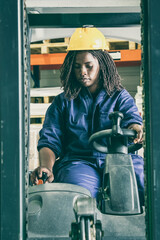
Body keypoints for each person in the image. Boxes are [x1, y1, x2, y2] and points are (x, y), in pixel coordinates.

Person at [30, 26, 144, 205]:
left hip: (118, 159)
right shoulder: (63, 102)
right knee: (78, 194)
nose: (82, 71)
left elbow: (131, 118)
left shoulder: (120, 96)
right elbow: (50, 139)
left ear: (102, 64)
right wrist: (46, 167)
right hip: (78, 161)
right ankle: (85, 231)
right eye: (77, 66)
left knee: (142, 180)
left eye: (88, 66)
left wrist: (135, 127)